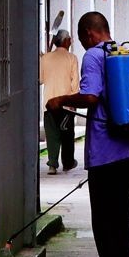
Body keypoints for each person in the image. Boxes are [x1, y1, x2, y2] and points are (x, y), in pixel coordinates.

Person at [45, 10, 129, 257]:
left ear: (89, 35)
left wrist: (61, 99)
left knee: (104, 220)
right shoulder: (124, 52)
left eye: (83, 39)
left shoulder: (93, 55)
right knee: (120, 217)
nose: (84, 44)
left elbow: (90, 96)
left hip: (107, 151)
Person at [39, 29, 80, 173]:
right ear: (66, 41)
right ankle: (68, 162)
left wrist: (42, 61)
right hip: (66, 103)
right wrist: (75, 101)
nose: (71, 41)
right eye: (70, 39)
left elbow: (40, 79)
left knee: (52, 135)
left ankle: (52, 164)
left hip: (49, 103)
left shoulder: (46, 58)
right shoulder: (72, 58)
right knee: (67, 135)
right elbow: (75, 82)